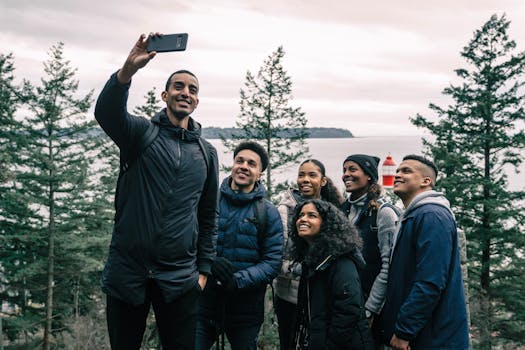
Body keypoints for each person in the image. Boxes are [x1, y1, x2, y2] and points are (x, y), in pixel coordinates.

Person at [94, 33, 219, 349]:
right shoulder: (140, 133)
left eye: (192, 90)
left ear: (197, 101)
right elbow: (106, 113)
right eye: (178, 86)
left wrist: (202, 270)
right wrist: (127, 71)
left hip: (180, 277)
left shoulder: (206, 152)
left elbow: (208, 214)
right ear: (165, 95)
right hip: (128, 271)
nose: (185, 92)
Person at [195, 141, 284, 350]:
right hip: (203, 303)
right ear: (233, 165)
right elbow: (189, 241)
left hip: (246, 309)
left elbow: (272, 262)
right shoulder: (208, 201)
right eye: (240, 161)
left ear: (260, 173)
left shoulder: (268, 212)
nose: (244, 166)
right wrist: (209, 262)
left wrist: (238, 280)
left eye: (252, 164)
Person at [377, 155, 469, 350]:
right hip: (422, 334)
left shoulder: (431, 216)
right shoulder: (414, 215)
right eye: (398, 171)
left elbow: (431, 280)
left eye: (406, 171)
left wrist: (404, 331)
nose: (398, 175)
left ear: (426, 181)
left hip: (433, 337)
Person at [273, 159, 343, 350]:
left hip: (322, 295)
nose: (305, 179)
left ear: (323, 181)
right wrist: (301, 269)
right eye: (301, 174)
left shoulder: (331, 211)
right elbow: (277, 256)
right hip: (290, 296)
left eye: (312, 175)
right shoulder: (285, 210)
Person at [289, 199, 374, 350]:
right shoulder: (311, 261)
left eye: (312, 215)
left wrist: (328, 346)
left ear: (327, 224)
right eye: (301, 215)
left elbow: (348, 312)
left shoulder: (341, 261)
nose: (303, 219)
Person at [340, 154, 399, 348]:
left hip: (369, 308)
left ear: (369, 177)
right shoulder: (342, 210)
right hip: (344, 303)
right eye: (344, 170)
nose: (346, 174)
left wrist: (370, 310)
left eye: (352, 169)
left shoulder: (383, 213)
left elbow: (388, 267)